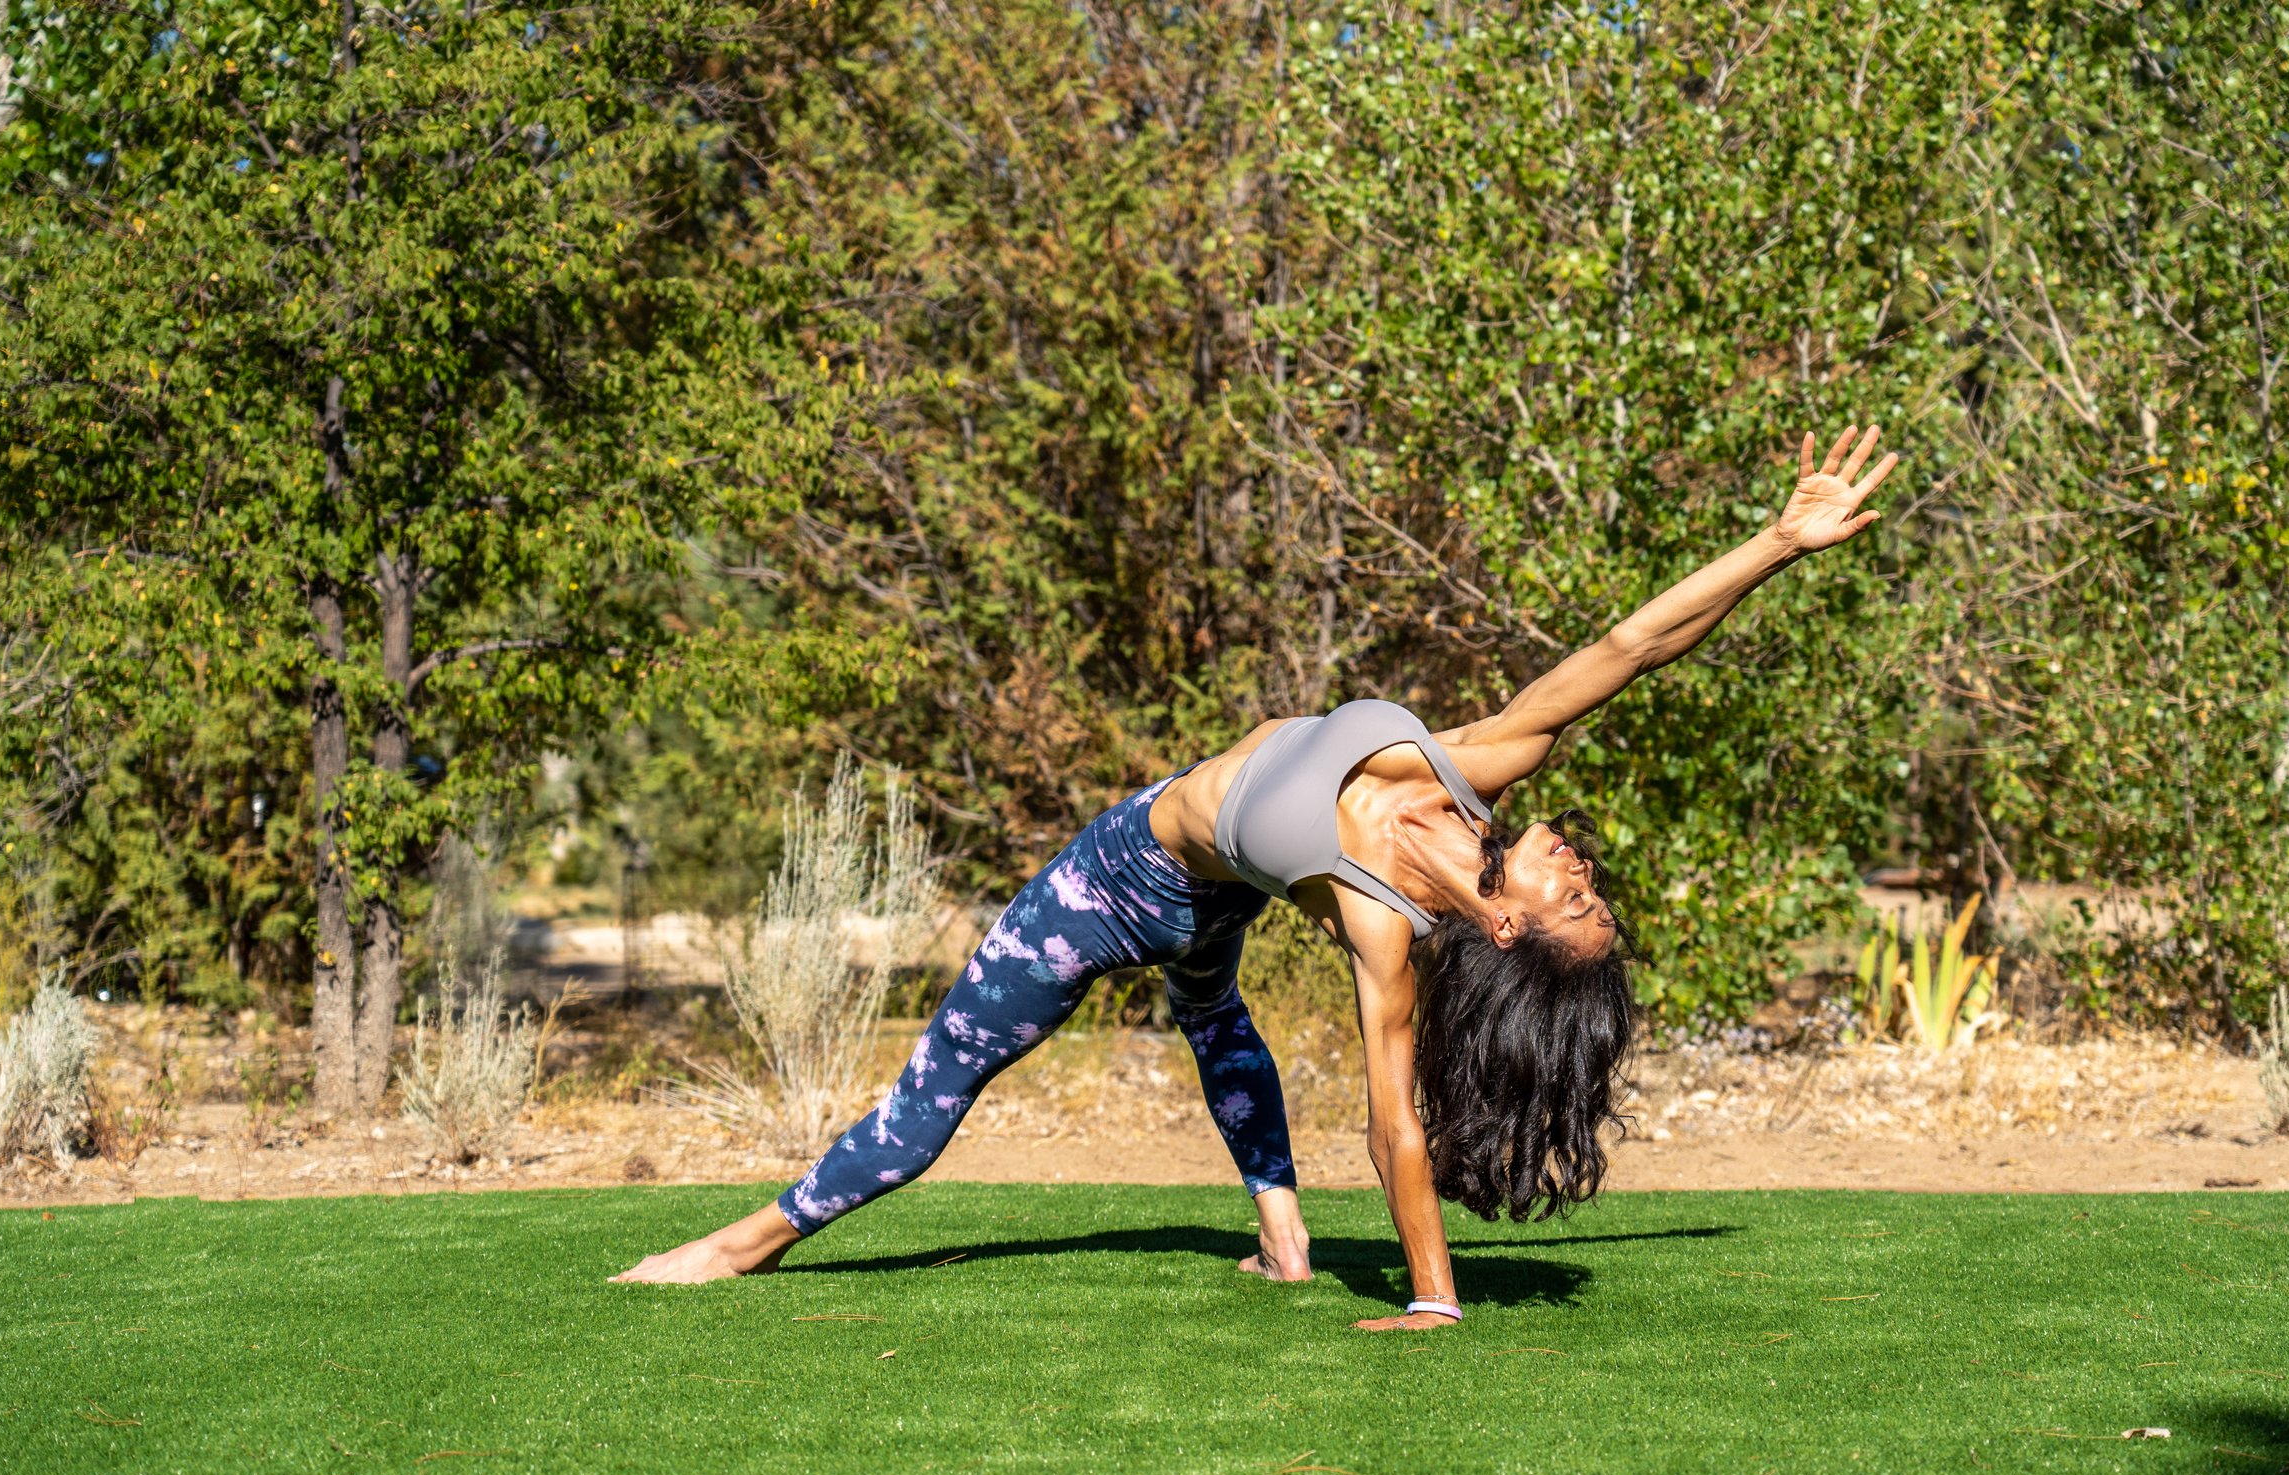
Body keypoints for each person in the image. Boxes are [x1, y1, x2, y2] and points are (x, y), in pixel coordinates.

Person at [614, 424, 1900, 1327]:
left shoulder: (1387, 935)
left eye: (1571, 897)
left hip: (1114, 881)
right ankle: (1283, 1239)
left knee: (950, 1067)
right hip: (1201, 891)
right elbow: (1634, 641)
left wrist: (1435, 1292)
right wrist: (1779, 543)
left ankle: (742, 1242)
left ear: (1506, 927)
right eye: (1588, 880)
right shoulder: (1474, 766)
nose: (1576, 861)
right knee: (1211, 1011)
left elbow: (1396, 1120)